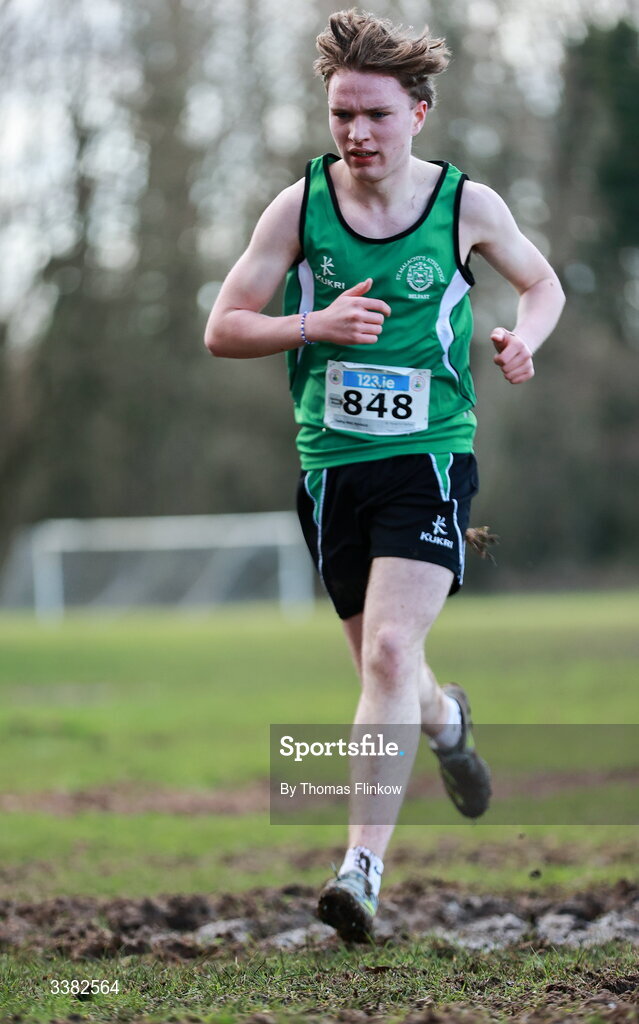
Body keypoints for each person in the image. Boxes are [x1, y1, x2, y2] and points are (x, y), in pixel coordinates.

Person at [204, 9, 565, 943]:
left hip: (430, 455)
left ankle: (359, 872)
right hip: (330, 470)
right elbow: (223, 326)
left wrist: (522, 342)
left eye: (372, 114)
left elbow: (543, 282)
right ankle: (448, 726)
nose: (356, 134)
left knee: (388, 657)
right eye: (340, 117)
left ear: (418, 111)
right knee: (391, 670)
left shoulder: (464, 207)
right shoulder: (297, 209)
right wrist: (308, 327)